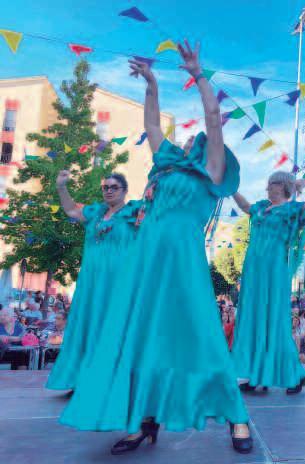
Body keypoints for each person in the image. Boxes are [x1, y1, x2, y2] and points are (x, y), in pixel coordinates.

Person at [59, 41, 253, 454]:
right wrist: (151, 84)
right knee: (143, 335)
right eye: (188, 138)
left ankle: (237, 416)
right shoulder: (165, 165)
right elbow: (151, 125)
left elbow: (213, 117)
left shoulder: (210, 172)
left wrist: (198, 75)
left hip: (182, 262)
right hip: (144, 260)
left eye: (197, 139)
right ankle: (143, 421)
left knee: (202, 334)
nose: (190, 139)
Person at [46, 170, 140, 391]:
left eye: (114, 187)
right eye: (105, 187)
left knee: (114, 324)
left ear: (124, 191)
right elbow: (71, 210)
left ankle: (112, 378)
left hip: (119, 282)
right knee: (88, 324)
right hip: (91, 281)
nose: (108, 191)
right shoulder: (96, 213)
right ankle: (82, 378)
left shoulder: (133, 212)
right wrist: (61, 186)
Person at [231, 171, 305, 394]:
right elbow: (245, 206)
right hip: (254, 270)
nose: (268, 187)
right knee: (254, 320)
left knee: (274, 321)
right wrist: (230, 188)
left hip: (274, 271)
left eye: (271, 183)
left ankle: (295, 374)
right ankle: (256, 375)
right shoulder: (262, 207)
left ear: (282, 185)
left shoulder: (292, 210)